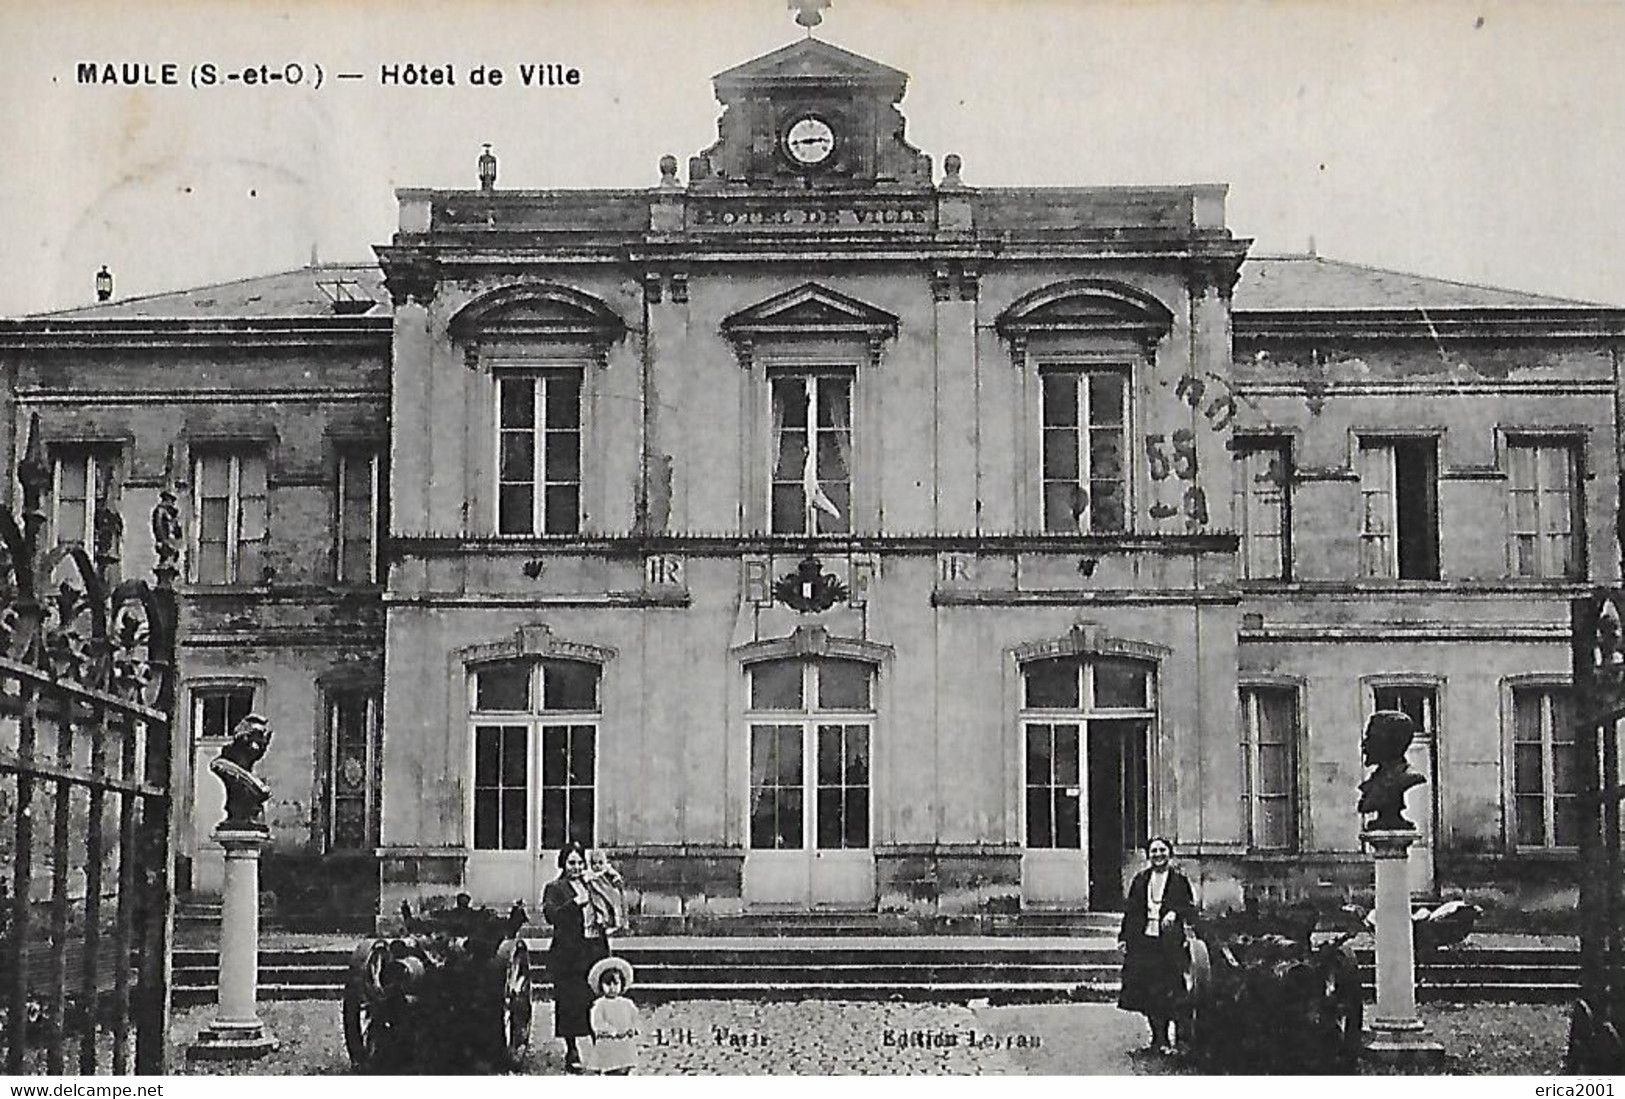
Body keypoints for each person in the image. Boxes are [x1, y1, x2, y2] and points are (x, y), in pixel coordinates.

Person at [1117, 836, 1197, 1054]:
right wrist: (1124, 938)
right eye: (1154, 851)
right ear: (1148, 855)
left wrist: (1174, 912)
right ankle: (1158, 1040)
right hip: (1145, 944)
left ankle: (1181, 1041)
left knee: (1175, 992)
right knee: (1149, 993)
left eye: (1162, 851)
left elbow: (1190, 909)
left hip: (1170, 945)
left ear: (1169, 854)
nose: (1158, 855)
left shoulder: (1179, 880)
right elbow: (1131, 911)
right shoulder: (1141, 880)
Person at [542, 842, 611, 1073]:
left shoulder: (592, 884)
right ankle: (571, 1049)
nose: (577, 867)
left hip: (592, 949)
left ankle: (600, 1048)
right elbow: (551, 916)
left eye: (580, 862)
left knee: (593, 999)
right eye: (572, 862)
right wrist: (573, 905)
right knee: (568, 1001)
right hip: (568, 954)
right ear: (563, 863)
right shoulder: (555, 888)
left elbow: (608, 902)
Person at [584, 956, 640, 1075]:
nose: (612, 988)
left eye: (616, 983)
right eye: (608, 984)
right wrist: (610, 1031)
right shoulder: (600, 1004)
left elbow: (634, 1017)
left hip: (624, 1042)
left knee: (624, 1067)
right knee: (610, 1068)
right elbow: (597, 1023)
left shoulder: (627, 1003)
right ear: (601, 985)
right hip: (608, 1042)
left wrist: (632, 1028)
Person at [583, 848, 628, 936]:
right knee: (600, 906)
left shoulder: (607, 870)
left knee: (615, 905)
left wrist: (616, 879)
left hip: (609, 891)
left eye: (600, 863)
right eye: (594, 863)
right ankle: (603, 922)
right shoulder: (591, 874)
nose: (597, 866)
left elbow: (616, 877)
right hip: (597, 893)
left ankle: (618, 924)